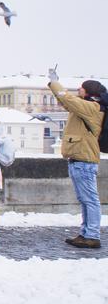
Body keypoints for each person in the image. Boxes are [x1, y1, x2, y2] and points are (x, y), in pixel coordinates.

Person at [48, 68, 104, 249]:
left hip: (84, 161)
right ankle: (86, 233)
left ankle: (92, 234)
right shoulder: (86, 106)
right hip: (79, 160)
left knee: (90, 200)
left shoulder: (92, 108)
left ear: (89, 92)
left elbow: (68, 99)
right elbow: (67, 102)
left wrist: (55, 83)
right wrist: (55, 88)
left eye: (81, 88)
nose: (78, 90)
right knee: (86, 200)